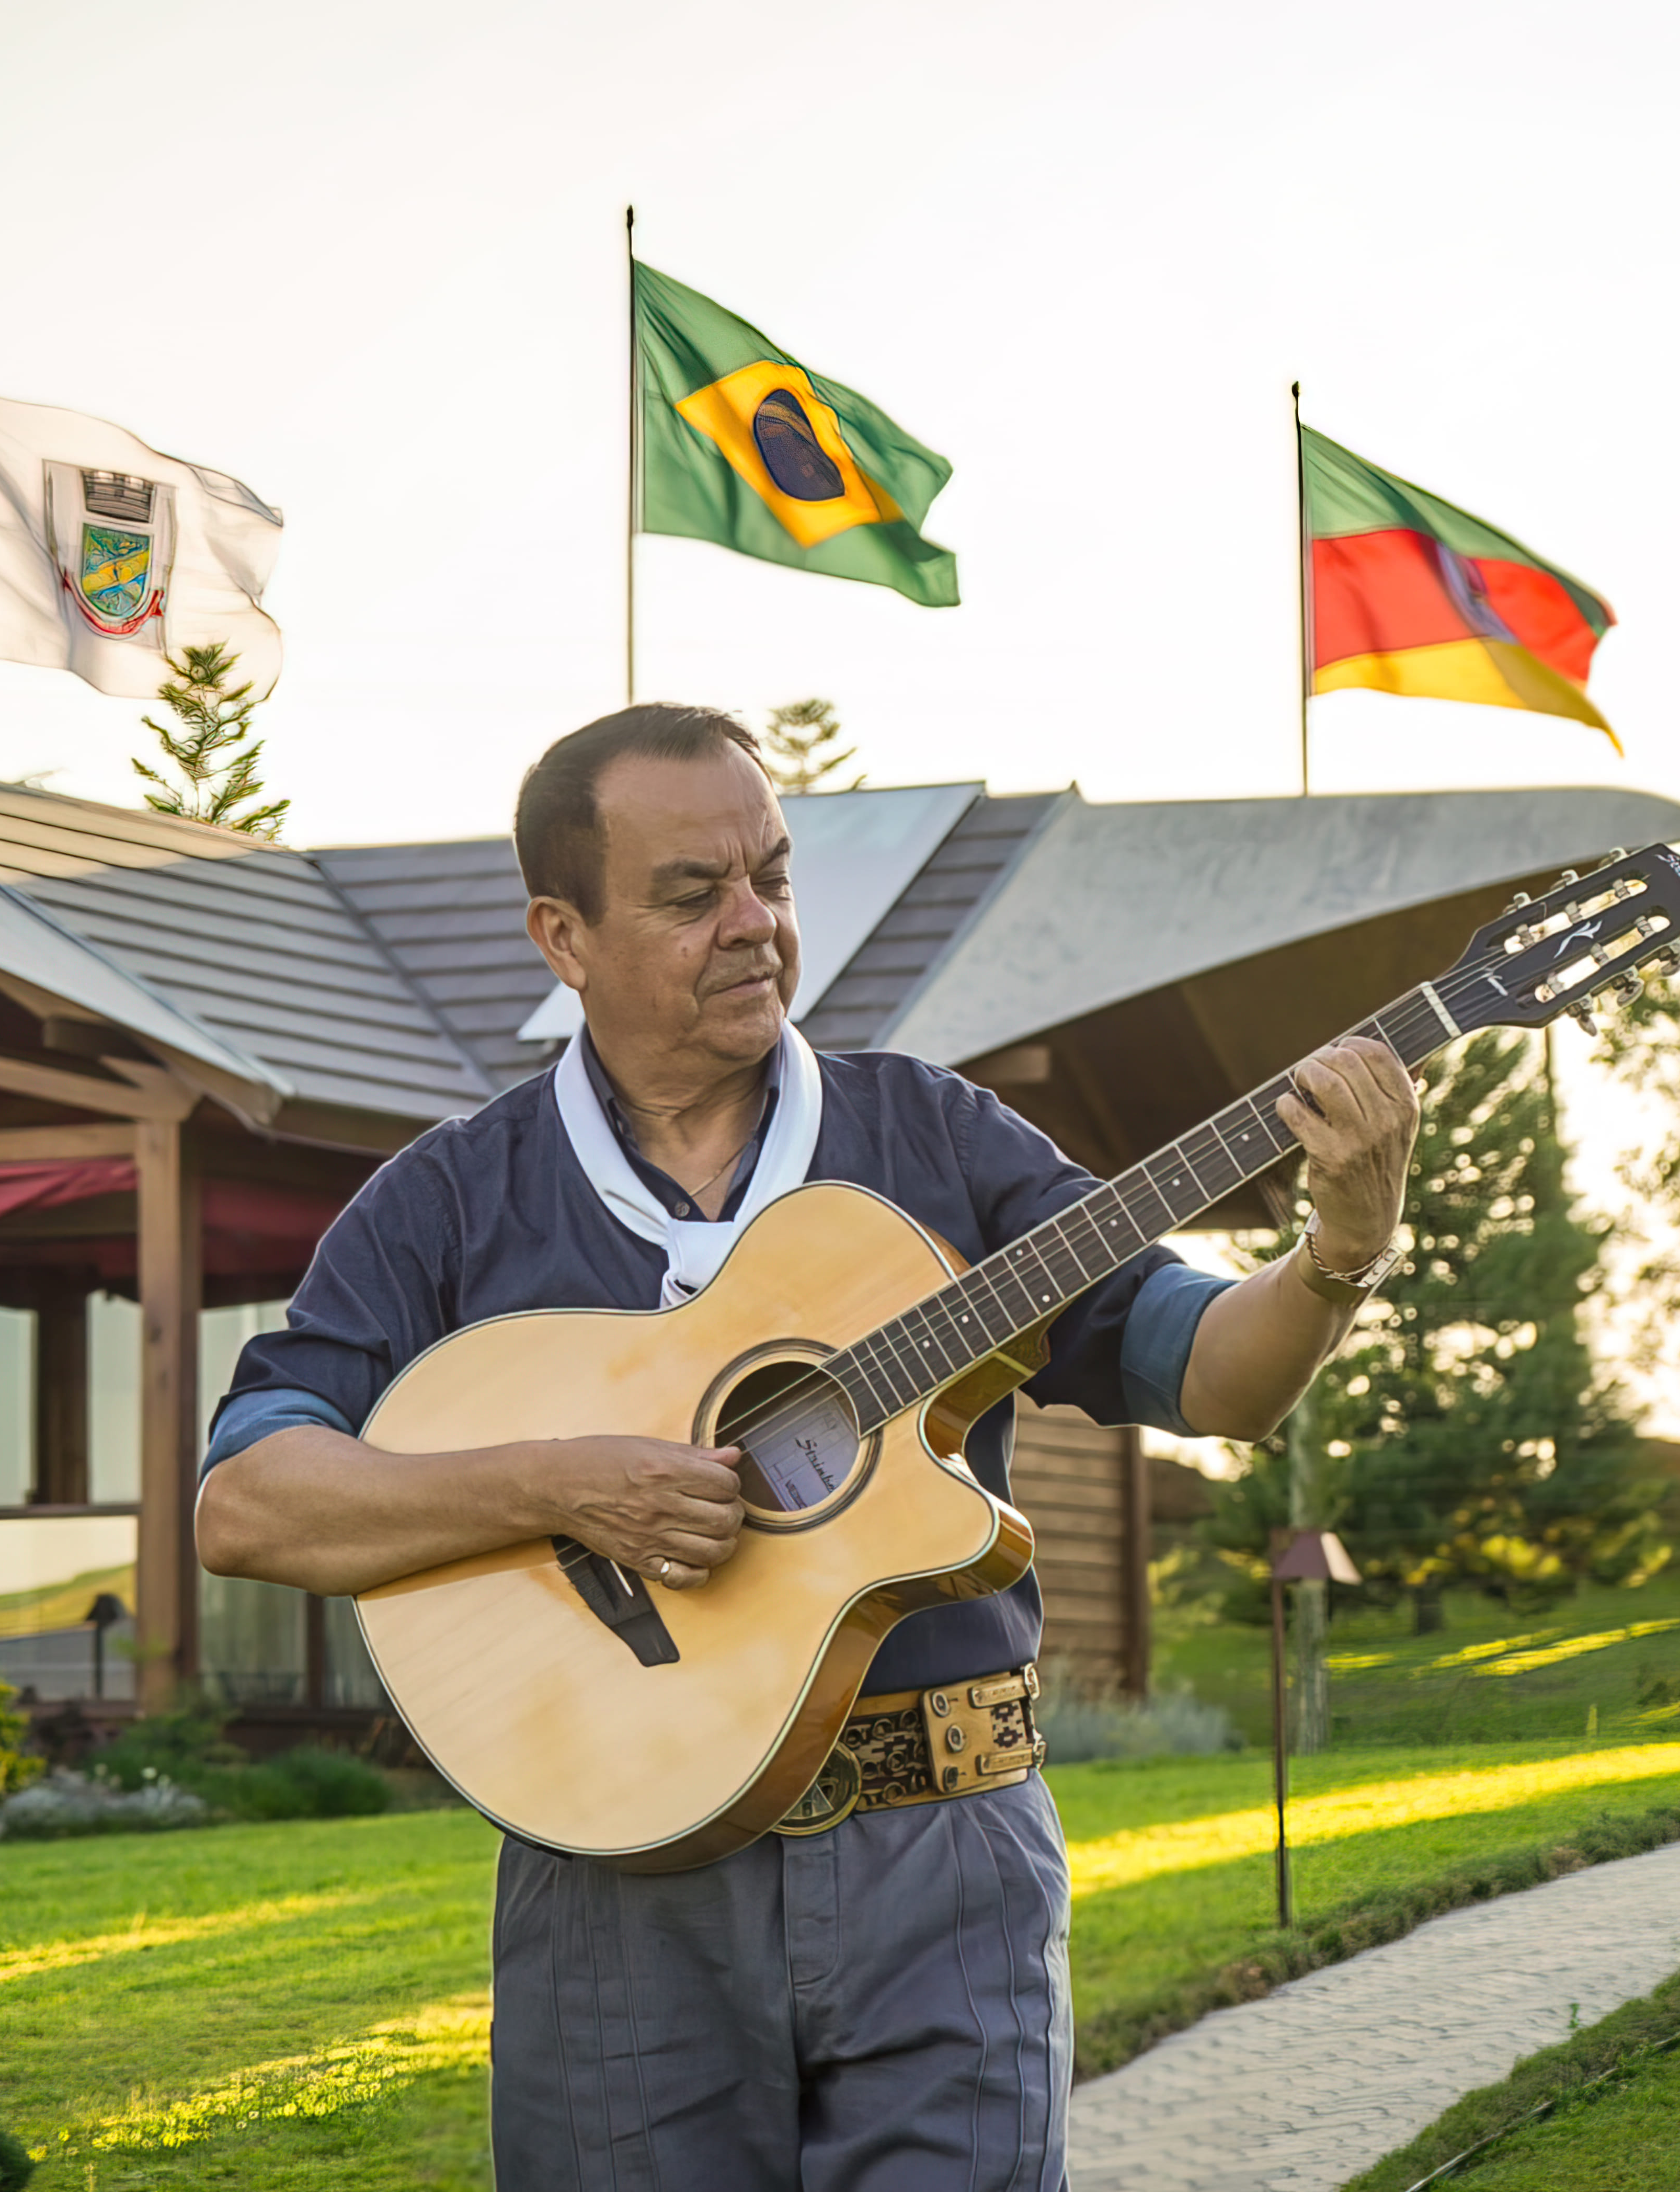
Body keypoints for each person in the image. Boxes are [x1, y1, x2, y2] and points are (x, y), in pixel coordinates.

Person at [195, 704, 1420, 2191]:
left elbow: (1214, 1373)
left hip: (945, 1863)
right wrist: (555, 1483)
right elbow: (251, 1503)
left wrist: (1341, 1244)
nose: (757, 924)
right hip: (620, 1881)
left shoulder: (936, 1143)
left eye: (772, 878)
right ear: (562, 936)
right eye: (693, 894)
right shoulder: (448, 1201)